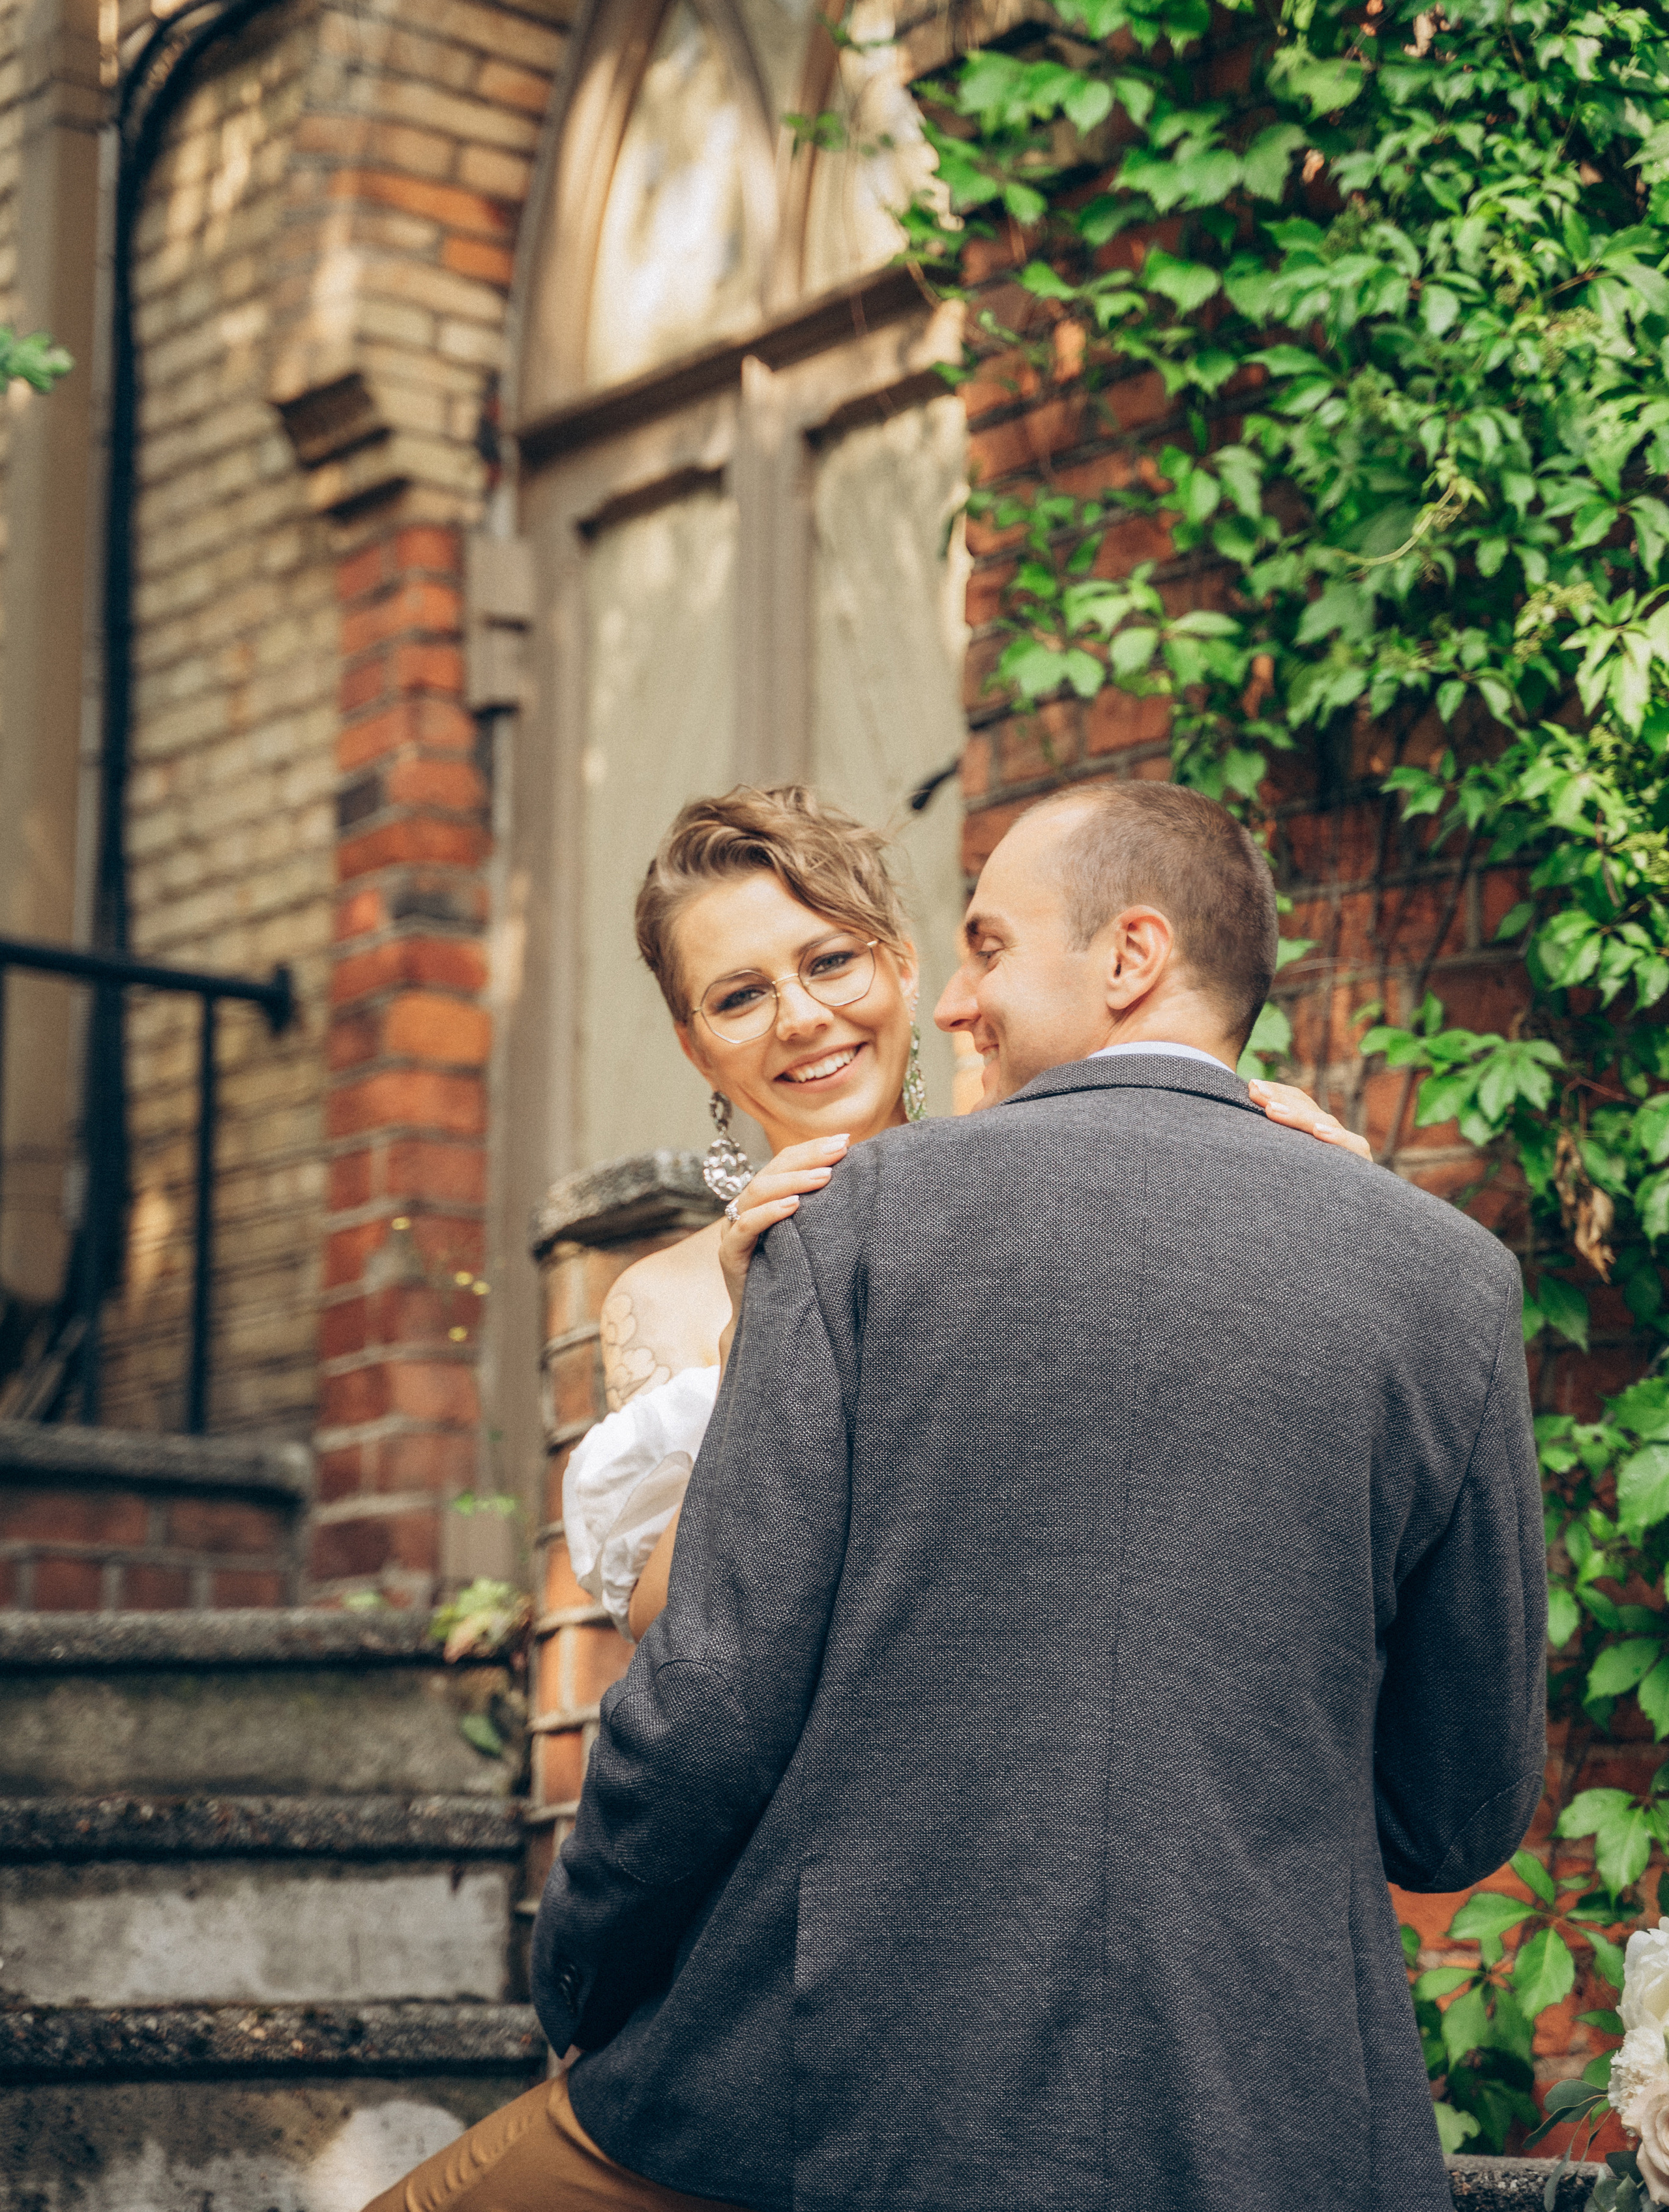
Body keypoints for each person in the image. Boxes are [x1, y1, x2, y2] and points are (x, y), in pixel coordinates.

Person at [364, 780, 1546, 2212]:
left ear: (1119, 958)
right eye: (739, 994)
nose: (944, 1008)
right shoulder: (1441, 1274)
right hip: (1265, 2100)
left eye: (970, 952)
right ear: (694, 1039)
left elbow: (712, 1701)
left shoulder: (855, 1231)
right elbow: (1451, 1817)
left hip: (847, 2053)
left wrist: (585, 1973)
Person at [565, 783, 1366, 1645]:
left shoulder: (1040, 1157)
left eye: (831, 962)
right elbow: (667, 1626)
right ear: (695, 1048)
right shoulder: (666, 1299)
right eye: (738, 998)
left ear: (905, 968)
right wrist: (760, 1349)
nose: (801, 1018)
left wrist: (1291, 1172)